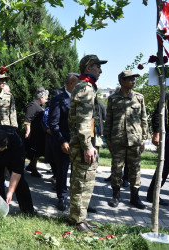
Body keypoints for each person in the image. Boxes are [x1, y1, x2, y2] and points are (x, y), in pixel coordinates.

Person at [68, 54, 107, 233]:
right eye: (98, 66)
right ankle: (78, 220)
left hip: (87, 142)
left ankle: (80, 217)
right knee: (81, 182)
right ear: (88, 67)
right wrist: (87, 145)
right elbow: (84, 120)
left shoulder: (86, 86)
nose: (100, 70)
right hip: (85, 143)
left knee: (86, 181)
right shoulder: (85, 88)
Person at [104, 70, 148, 209]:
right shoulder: (113, 99)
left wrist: (143, 139)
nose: (133, 81)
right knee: (116, 169)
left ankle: (135, 197)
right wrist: (108, 140)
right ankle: (115, 196)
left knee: (135, 169)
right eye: (130, 79)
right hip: (118, 140)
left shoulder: (139, 98)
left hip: (135, 140)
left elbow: (144, 118)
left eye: (134, 79)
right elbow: (108, 120)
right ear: (122, 81)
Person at [0, 125, 35, 214]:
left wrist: (10, 192)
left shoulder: (17, 145)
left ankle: (28, 211)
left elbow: (17, 171)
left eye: (0, 150)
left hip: (12, 157)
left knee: (20, 183)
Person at [48, 73, 79, 211]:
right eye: (78, 83)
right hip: (63, 142)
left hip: (79, 142)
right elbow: (53, 123)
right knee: (62, 170)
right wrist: (62, 141)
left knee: (78, 171)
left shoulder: (82, 99)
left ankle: (78, 199)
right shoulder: (58, 99)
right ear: (71, 83)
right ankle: (61, 197)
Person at [146, 85, 169, 206]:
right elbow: (157, 115)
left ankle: (152, 194)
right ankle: (152, 195)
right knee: (164, 168)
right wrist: (156, 134)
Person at [24, 87, 49, 178]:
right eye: (45, 98)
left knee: (38, 151)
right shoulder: (33, 105)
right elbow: (27, 119)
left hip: (39, 132)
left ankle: (31, 166)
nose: (46, 100)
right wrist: (28, 131)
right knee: (35, 151)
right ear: (40, 97)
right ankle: (33, 169)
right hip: (34, 133)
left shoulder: (39, 105)